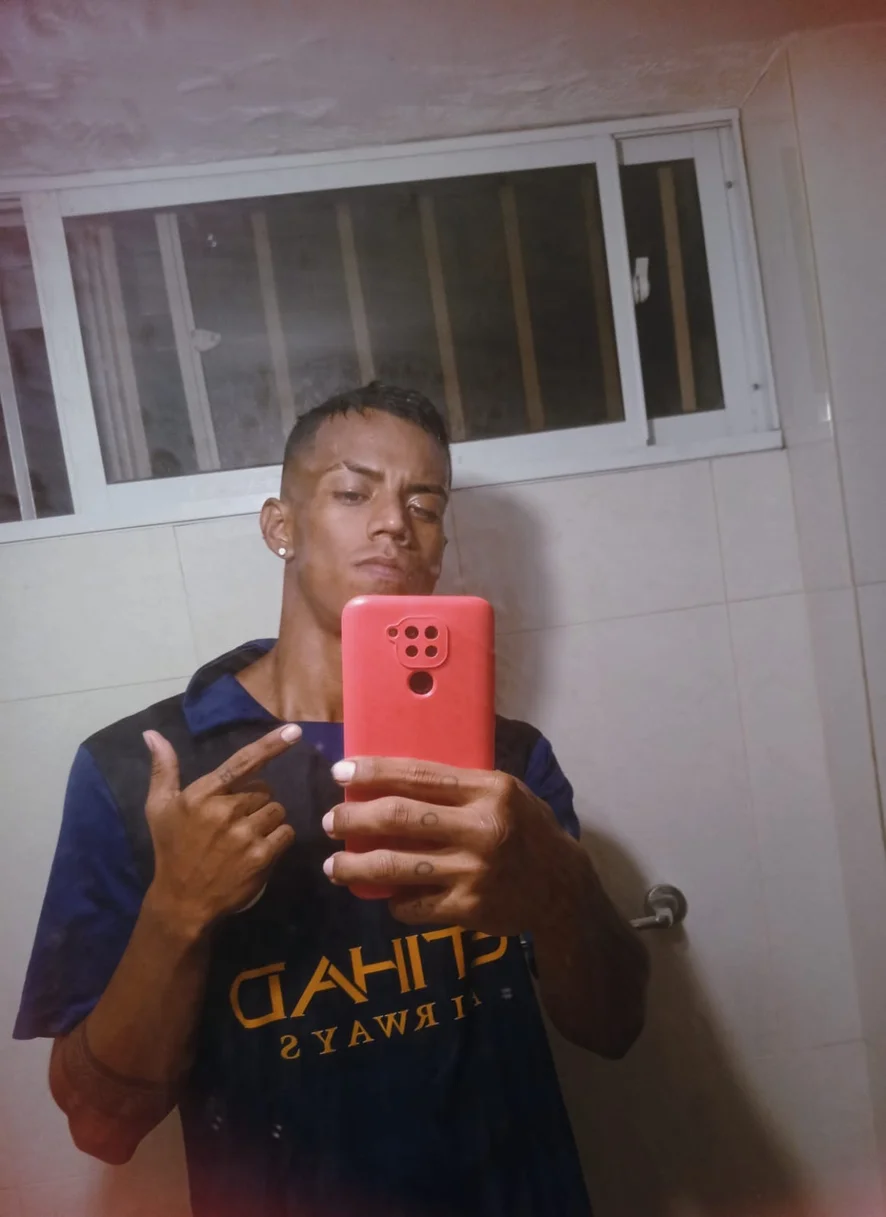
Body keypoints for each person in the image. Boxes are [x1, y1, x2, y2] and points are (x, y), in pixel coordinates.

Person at [14, 382, 649, 1217]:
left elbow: (615, 1026)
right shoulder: (144, 775)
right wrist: (175, 913)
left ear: (439, 545)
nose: (395, 523)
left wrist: (562, 890)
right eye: (353, 492)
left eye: (424, 505)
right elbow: (101, 1124)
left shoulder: (509, 764)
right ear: (280, 526)